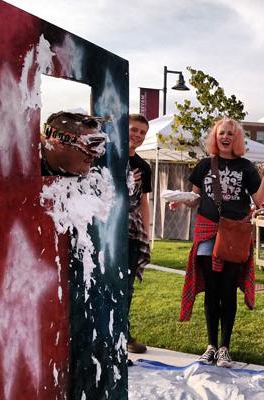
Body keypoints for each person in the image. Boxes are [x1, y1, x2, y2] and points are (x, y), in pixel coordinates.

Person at [174, 117, 264, 368]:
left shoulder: (246, 167)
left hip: (233, 233)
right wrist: (180, 200)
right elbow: (195, 197)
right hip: (207, 231)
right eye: (221, 133)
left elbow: (259, 201)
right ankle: (211, 346)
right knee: (212, 291)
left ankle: (225, 348)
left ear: (236, 138)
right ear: (214, 138)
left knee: (228, 291)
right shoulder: (205, 164)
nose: (225, 137)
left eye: (230, 133)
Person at [125, 114, 151, 354]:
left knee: (128, 286)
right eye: (134, 130)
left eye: (142, 132)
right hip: (108, 230)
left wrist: (148, 232)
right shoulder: (107, 157)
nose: (138, 135)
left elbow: (144, 201)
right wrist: (125, 183)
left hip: (133, 231)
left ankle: (124, 333)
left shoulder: (144, 166)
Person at [40, 111, 108, 176]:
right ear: (60, 143)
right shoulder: (30, 164)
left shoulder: (91, 168)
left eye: (100, 146)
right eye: (92, 145)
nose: (95, 155)